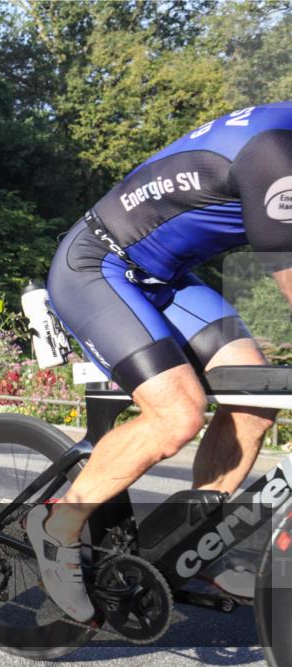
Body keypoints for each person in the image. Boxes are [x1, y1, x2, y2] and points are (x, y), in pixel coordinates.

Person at [28, 101, 292, 622]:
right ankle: (57, 527)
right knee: (178, 414)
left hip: (166, 279)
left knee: (255, 400)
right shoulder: (275, 154)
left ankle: (197, 543)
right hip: (97, 266)